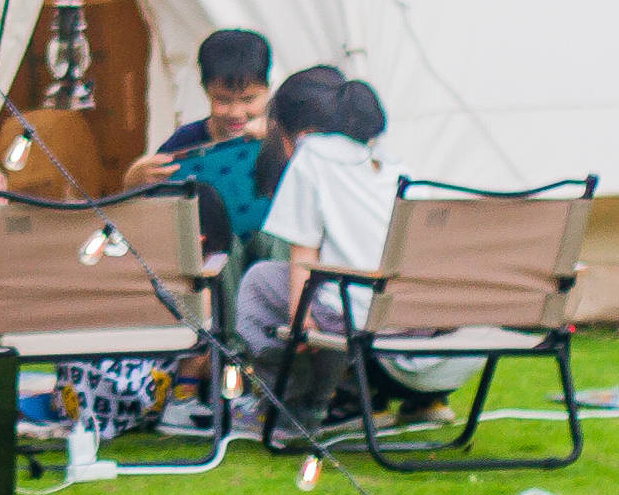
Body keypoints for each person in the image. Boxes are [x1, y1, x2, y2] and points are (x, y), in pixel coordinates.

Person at [235, 67, 472, 419]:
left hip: (359, 321)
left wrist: (301, 323)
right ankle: (352, 398)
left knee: (262, 283)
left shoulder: (311, 159)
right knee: (333, 292)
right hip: (417, 321)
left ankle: (295, 409)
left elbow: (303, 256)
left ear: (297, 133)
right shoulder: (396, 169)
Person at [123, 28, 271, 188]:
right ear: (206, 90)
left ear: (268, 89)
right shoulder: (185, 141)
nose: (236, 112)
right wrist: (133, 179)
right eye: (223, 100)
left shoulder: (282, 135)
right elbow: (146, 197)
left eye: (248, 99)